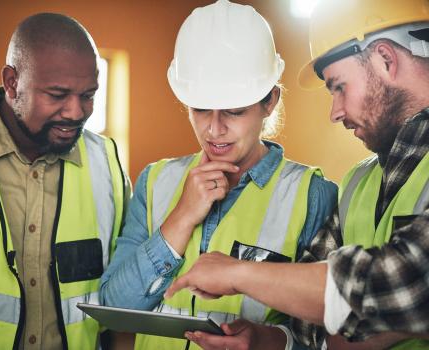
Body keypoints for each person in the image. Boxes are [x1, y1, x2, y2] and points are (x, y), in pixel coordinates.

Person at [165, 0, 429, 349]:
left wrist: (238, 273)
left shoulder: (316, 191)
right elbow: (312, 327)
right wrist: (269, 339)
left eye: (338, 86)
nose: (334, 112)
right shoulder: (356, 184)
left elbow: (408, 283)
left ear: (385, 59)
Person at [99, 1, 337, 349]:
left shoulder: (311, 195)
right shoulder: (155, 182)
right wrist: (179, 219)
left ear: (270, 101)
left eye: (234, 111)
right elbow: (113, 309)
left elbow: (326, 334)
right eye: (200, 109)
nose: (214, 129)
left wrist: (268, 341)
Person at [0, 13, 130, 349]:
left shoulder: (106, 162)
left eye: (88, 95)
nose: (76, 112)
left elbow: (120, 301)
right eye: (58, 95)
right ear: (12, 82)